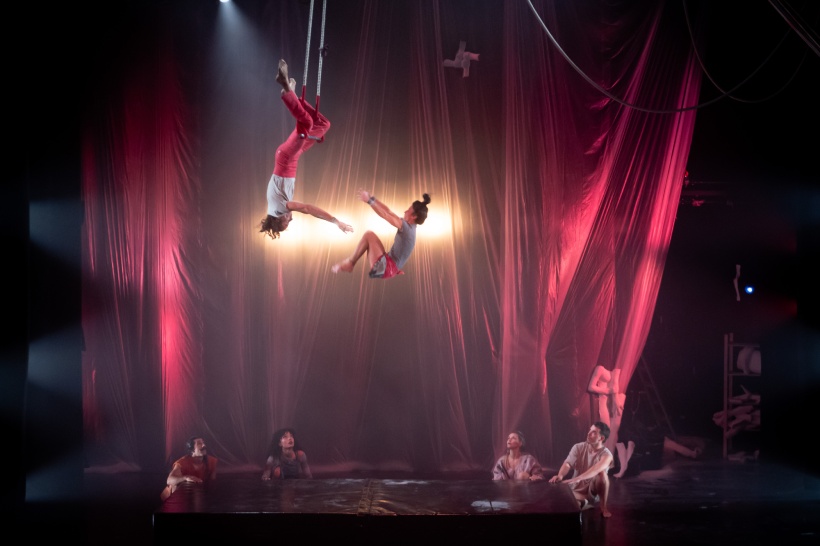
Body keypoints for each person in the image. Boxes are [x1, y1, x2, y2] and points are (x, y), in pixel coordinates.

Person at [259, 59, 353, 240]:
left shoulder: (279, 209)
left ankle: (286, 90)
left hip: (287, 158)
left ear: (279, 220)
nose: (291, 220)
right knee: (323, 125)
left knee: (307, 122)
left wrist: (336, 222)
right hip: (293, 156)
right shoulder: (275, 209)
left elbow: (308, 208)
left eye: (287, 223)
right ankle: (294, 96)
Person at [331, 190, 430, 278]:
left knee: (369, 235)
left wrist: (369, 201)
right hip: (392, 267)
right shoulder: (411, 227)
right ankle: (350, 263)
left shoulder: (406, 228)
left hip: (387, 268)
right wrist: (373, 198)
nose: (405, 211)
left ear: (414, 216)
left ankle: (350, 263)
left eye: (408, 210)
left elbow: (385, 215)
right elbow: (388, 211)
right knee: (369, 235)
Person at [549, 421, 613, 517]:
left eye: (593, 432)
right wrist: (560, 475)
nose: (588, 433)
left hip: (591, 491)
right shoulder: (578, 447)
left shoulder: (607, 455)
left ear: (601, 438)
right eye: (590, 430)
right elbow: (568, 463)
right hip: (575, 489)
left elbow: (596, 469)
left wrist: (578, 478)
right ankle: (583, 503)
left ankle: (603, 507)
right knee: (566, 506)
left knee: (602, 475)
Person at [161, 436, 218, 501]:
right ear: (192, 450)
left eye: (203, 443)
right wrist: (185, 478)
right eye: (199, 444)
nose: (204, 445)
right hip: (170, 498)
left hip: (194, 496)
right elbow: (169, 480)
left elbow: (212, 481)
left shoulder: (212, 461)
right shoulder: (182, 462)